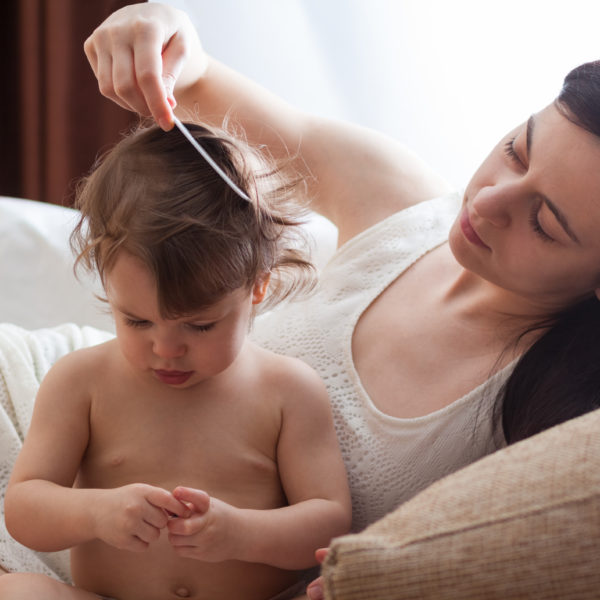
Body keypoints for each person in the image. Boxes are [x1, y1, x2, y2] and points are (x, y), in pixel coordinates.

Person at [1, 121, 351, 600]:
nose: (166, 349)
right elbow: (23, 508)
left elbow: (329, 522)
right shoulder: (81, 382)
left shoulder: (288, 390)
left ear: (258, 288)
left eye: (200, 325)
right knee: (18, 592)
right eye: (138, 322)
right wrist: (96, 513)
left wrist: (242, 533)